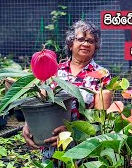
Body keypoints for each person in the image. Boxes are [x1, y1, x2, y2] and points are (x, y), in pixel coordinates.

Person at [22, 20, 111, 157]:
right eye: (80, 39)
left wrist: (71, 131)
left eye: (91, 41)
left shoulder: (101, 75)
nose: (86, 43)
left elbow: (100, 120)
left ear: (95, 47)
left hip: (83, 148)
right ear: (70, 44)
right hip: (51, 145)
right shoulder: (54, 71)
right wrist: (30, 124)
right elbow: (41, 102)